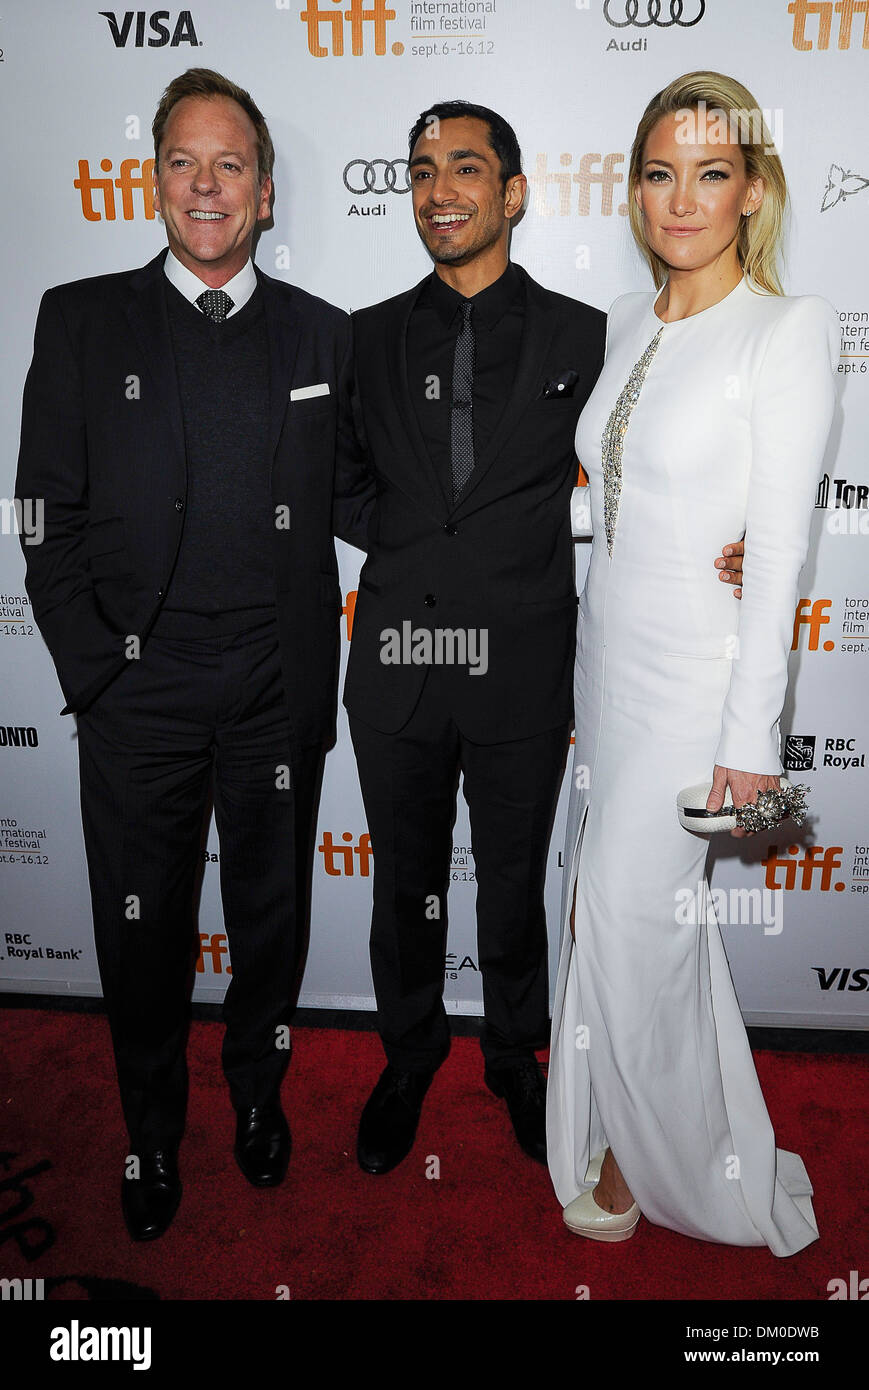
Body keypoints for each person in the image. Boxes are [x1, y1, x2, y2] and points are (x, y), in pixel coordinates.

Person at [343, 101, 744, 1175]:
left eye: (464, 168)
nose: (440, 190)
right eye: (421, 168)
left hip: (523, 667)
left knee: (514, 880)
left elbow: (658, 448)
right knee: (404, 880)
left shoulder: (589, 332)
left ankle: (514, 1057)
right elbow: (340, 480)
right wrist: (426, 549)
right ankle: (408, 1052)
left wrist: (731, 533)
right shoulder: (364, 333)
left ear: (511, 193)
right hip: (397, 667)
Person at [14, 68, 370, 1241]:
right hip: (138, 696)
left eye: (230, 166)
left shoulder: (325, 332)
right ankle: (149, 1131)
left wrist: (573, 514)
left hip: (275, 693)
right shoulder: (79, 317)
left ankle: (257, 1100)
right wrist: (93, 674)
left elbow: (379, 501)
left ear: (265, 193)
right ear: (153, 178)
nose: (206, 186)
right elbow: (40, 513)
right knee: (141, 928)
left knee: (270, 921)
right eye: (183, 161)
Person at [545, 71, 838, 1253]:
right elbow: (614, 500)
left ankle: (688, 1170)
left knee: (632, 916)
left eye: (709, 172)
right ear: (634, 189)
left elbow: (773, 553)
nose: (680, 198)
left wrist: (745, 748)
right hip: (602, 661)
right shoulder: (625, 321)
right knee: (615, 916)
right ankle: (622, 1112)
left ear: (750, 189)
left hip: (696, 691)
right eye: (659, 172)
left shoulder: (788, 329)